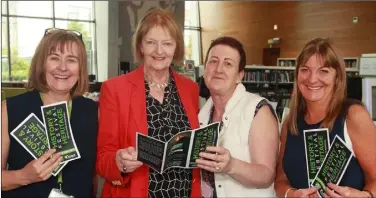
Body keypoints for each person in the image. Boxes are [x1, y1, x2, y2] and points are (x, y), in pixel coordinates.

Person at [96, 8, 201, 198]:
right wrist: (118, 161)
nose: (159, 51)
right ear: (141, 46)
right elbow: (103, 158)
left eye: (167, 44)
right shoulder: (115, 89)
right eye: (151, 42)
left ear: (176, 47)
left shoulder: (190, 89)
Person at [1, 28, 98, 197]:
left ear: (81, 68)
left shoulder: (92, 111)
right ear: (41, 63)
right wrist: (23, 176)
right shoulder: (10, 109)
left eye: (71, 60)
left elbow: (93, 176)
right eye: (54, 58)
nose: (62, 67)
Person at [274, 37, 376, 197]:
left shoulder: (353, 116)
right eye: (305, 70)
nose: (312, 79)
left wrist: (364, 196)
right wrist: (292, 194)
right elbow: (280, 181)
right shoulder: (290, 123)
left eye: (324, 71)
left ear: (337, 78)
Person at [196, 36, 280, 197]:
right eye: (213, 61)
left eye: (228, 64)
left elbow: (266, 175)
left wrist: (231, 165)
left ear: (239, 75)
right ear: (205, 69)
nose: (218, 69)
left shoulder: (258, 110)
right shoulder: (203, 113)